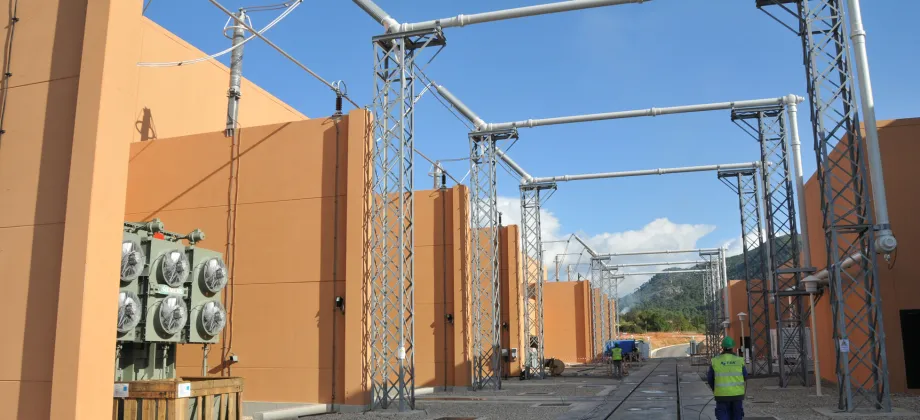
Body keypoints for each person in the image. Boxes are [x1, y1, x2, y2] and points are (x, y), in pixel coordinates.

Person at [707, 337, 748, 420]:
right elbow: (745, 376)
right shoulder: (739, 360)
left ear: (722, 347)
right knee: (737, 415)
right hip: (737, 395)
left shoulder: (715, 361)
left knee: (722, 416)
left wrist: (715, 389)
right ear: (733, 347)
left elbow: (710, 378)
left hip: (721, 395)